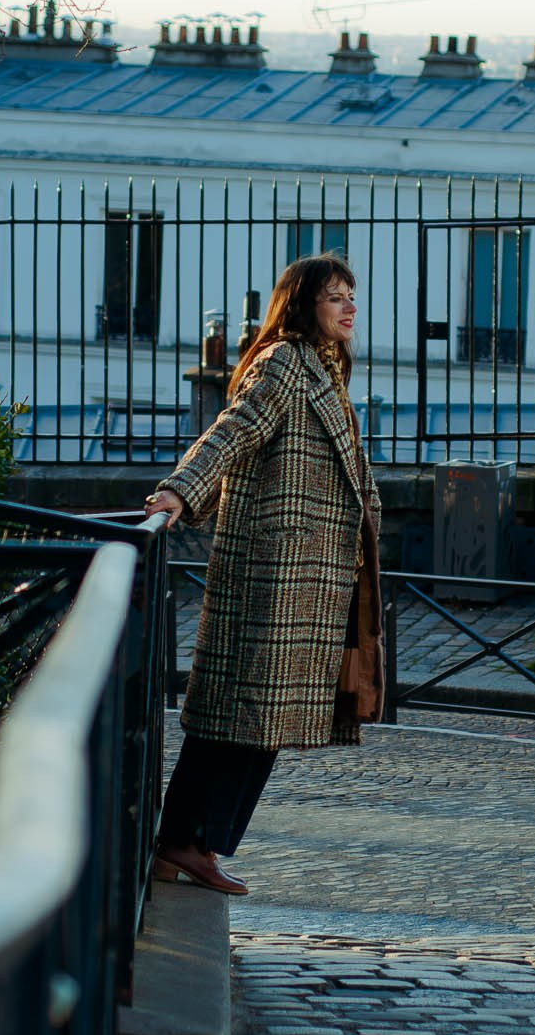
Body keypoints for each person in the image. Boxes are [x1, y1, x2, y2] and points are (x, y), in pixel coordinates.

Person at [142, 253, 383, 895]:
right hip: (276, 570)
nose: (349, 306)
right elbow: (235, 430)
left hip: (311, 572)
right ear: (304, 305)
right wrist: (180, 490)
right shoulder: (284, 362)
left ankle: (196, 842)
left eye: (351, 295)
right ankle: (182, 841)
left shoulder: (327, 370)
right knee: (242, 717)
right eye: (336, 297)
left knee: (258, 719)